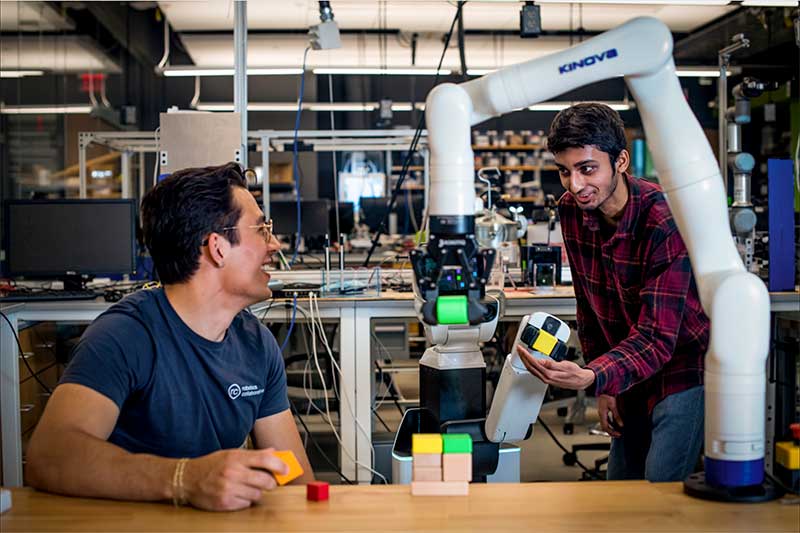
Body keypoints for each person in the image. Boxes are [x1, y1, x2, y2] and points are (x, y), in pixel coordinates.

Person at [26, 162, 314, 511]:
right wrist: (185, 479)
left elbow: (295, 480)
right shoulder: (125, 336)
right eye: (262, 229)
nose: (276, 244)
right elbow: (51, 454)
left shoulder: (256, 343)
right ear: (218, 247)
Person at [517, 103, 710, 482]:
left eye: (587, 169)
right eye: (564, 171)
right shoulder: (572, 210)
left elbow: (657, 337)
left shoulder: (664, 220)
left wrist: (592, 375)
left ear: (620, 161)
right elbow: (588, 305)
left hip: (682, 364)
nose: (575, 185)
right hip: (626, 365)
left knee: (659, 486)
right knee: (620, 487)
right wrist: (604, 384)